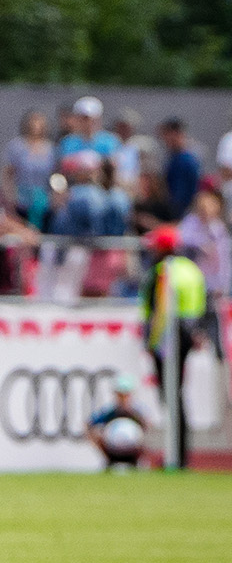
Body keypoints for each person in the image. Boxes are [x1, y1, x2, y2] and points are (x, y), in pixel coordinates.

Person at [139, 226, 207, 469]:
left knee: (169, 395)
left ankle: (175, 455)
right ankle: (179, 453)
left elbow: (155, 310)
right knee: (177, 394)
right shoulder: (192, 270)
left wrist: (150, 342)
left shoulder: (161, 272)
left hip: (168, 336)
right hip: (189, 334)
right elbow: (202, 304)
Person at [4, 110, 58, 228]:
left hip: (43, 197)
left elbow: (55, 175)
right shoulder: (17, 146)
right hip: (22, 196)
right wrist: (10, 196)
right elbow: (8, 173)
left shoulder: (50, 149)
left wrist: (56, 195)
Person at [87, 373, 147, 470]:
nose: (123, 398)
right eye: (120, 395)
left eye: (125, 395)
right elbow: (89, 424)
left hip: (134, 449)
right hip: (111, 449)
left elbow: (148, 426)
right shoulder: (109, 411)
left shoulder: (138, 411)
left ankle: (135, 462)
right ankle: (110, 461)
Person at [159, 117, 202, 222]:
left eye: (166, 135)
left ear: (175, 134)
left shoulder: (186, 161)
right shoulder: (173, 158)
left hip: (183, 216)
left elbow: (182, 197)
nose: (164, 140)